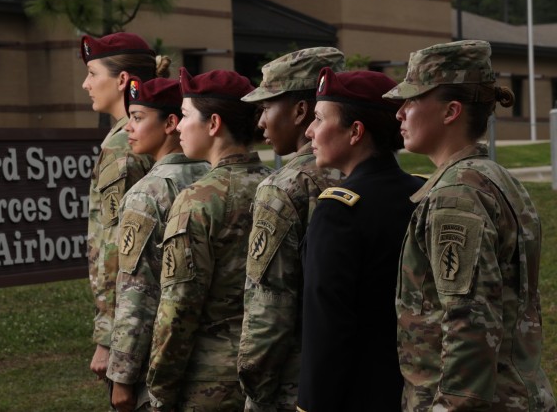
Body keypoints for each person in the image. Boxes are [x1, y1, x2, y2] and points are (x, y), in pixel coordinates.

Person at [382, 39, 556, 411]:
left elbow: (470, 324)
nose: (400, 113)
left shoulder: (456, 195)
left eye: (412, 100)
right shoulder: (493, 177)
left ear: (451, 112)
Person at [297, 68, 426, 412]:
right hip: (415, 387)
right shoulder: (421, 192)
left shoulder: (338, 210)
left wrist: (312, 404)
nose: (309, 131)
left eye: (320, 119)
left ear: (355, 131)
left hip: (355, 393)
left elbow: (326, 325)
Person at [147, 68, 273, 411]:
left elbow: (179, 306)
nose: (180, 127)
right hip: (271, 372)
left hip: (209, 381)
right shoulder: (276, 186)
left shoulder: (198, 199)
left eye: (186, 115)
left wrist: (159, 387)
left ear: (213, 124)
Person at [237, 47, 346, 412]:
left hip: (293, 385)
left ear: (301, 111)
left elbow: (270, 305)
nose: (260, 122)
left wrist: (254, 388)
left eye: (267, 107)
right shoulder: (360, 171)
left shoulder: (283, 187)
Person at [106, 77, 210, 411]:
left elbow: (138, 292)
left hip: (163, 367)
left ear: (170, 123)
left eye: (137, 118)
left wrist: (122, 376)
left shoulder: (147, 193)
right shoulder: (212, 176)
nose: (128, 129)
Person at [81, 32, 170, 388]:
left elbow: (118, 245)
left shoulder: (122, 144)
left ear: (121, 80)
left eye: (92, 73)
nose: (85, 83)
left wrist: (108, 338)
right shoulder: (146, 132)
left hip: (134, 318)